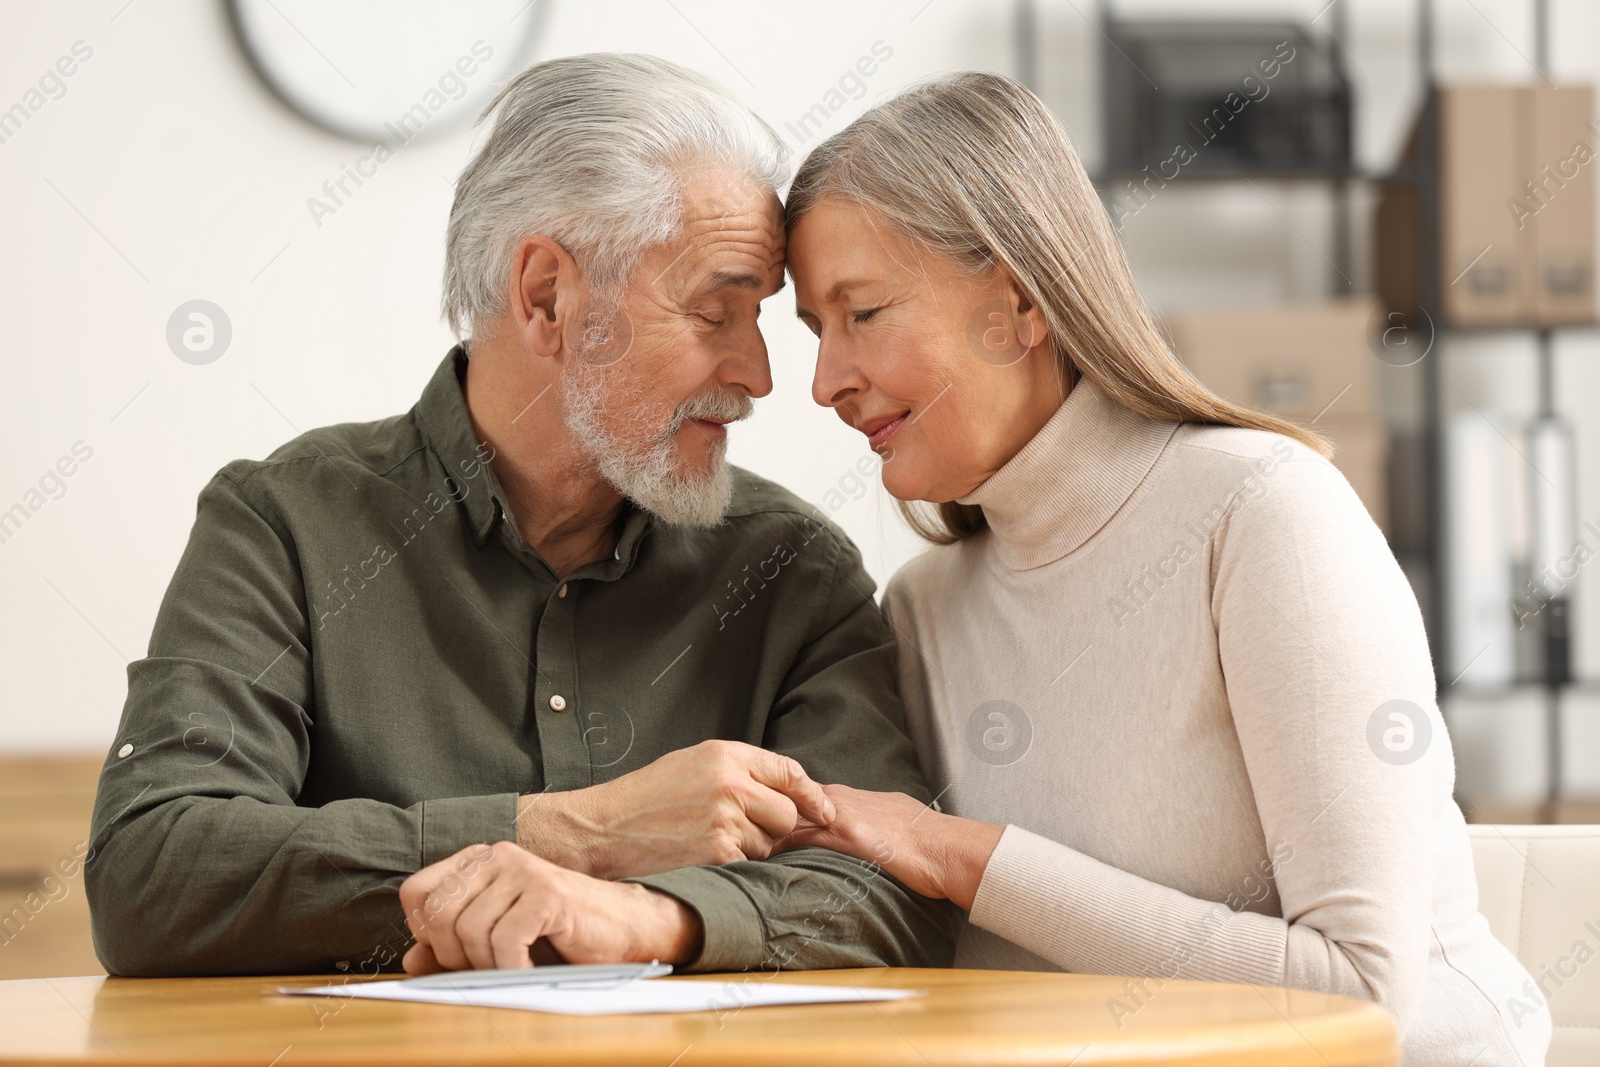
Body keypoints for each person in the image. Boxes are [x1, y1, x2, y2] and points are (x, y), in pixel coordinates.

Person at [85, 53, 957, 978]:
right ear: (547, 295)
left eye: (761, 320)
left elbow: (893, 892)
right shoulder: (282, 524)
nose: (761, 375)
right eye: (713, 312)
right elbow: (151, 872)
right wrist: (582, 832)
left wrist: (644, 916)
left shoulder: (793, 570)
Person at [778, 72, 1549, 1066]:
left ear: (1014, 301)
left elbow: (1361, 993)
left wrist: (960, 855)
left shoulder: (1263, 515)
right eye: (815, 329)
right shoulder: (921, 608)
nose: (824, 380)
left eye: (863, 312)